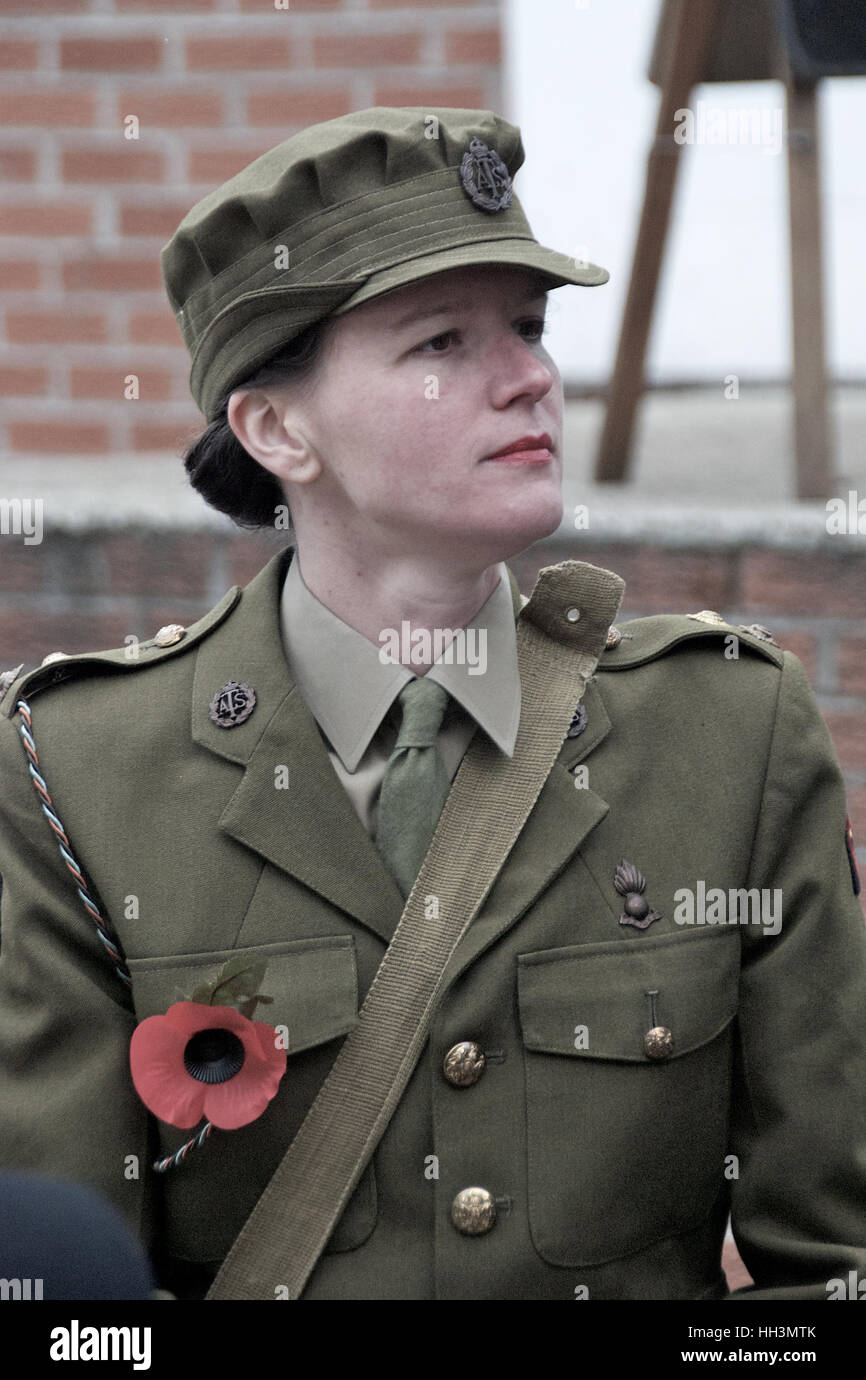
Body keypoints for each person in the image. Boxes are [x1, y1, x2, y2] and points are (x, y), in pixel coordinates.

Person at [0, 106, 864, 1303]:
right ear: (274, 426)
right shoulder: (82, 772)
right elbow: (70, 1309)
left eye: (527, 326)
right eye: (439, 344)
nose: (528, 380)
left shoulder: (727, 728)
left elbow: (831, 1273)